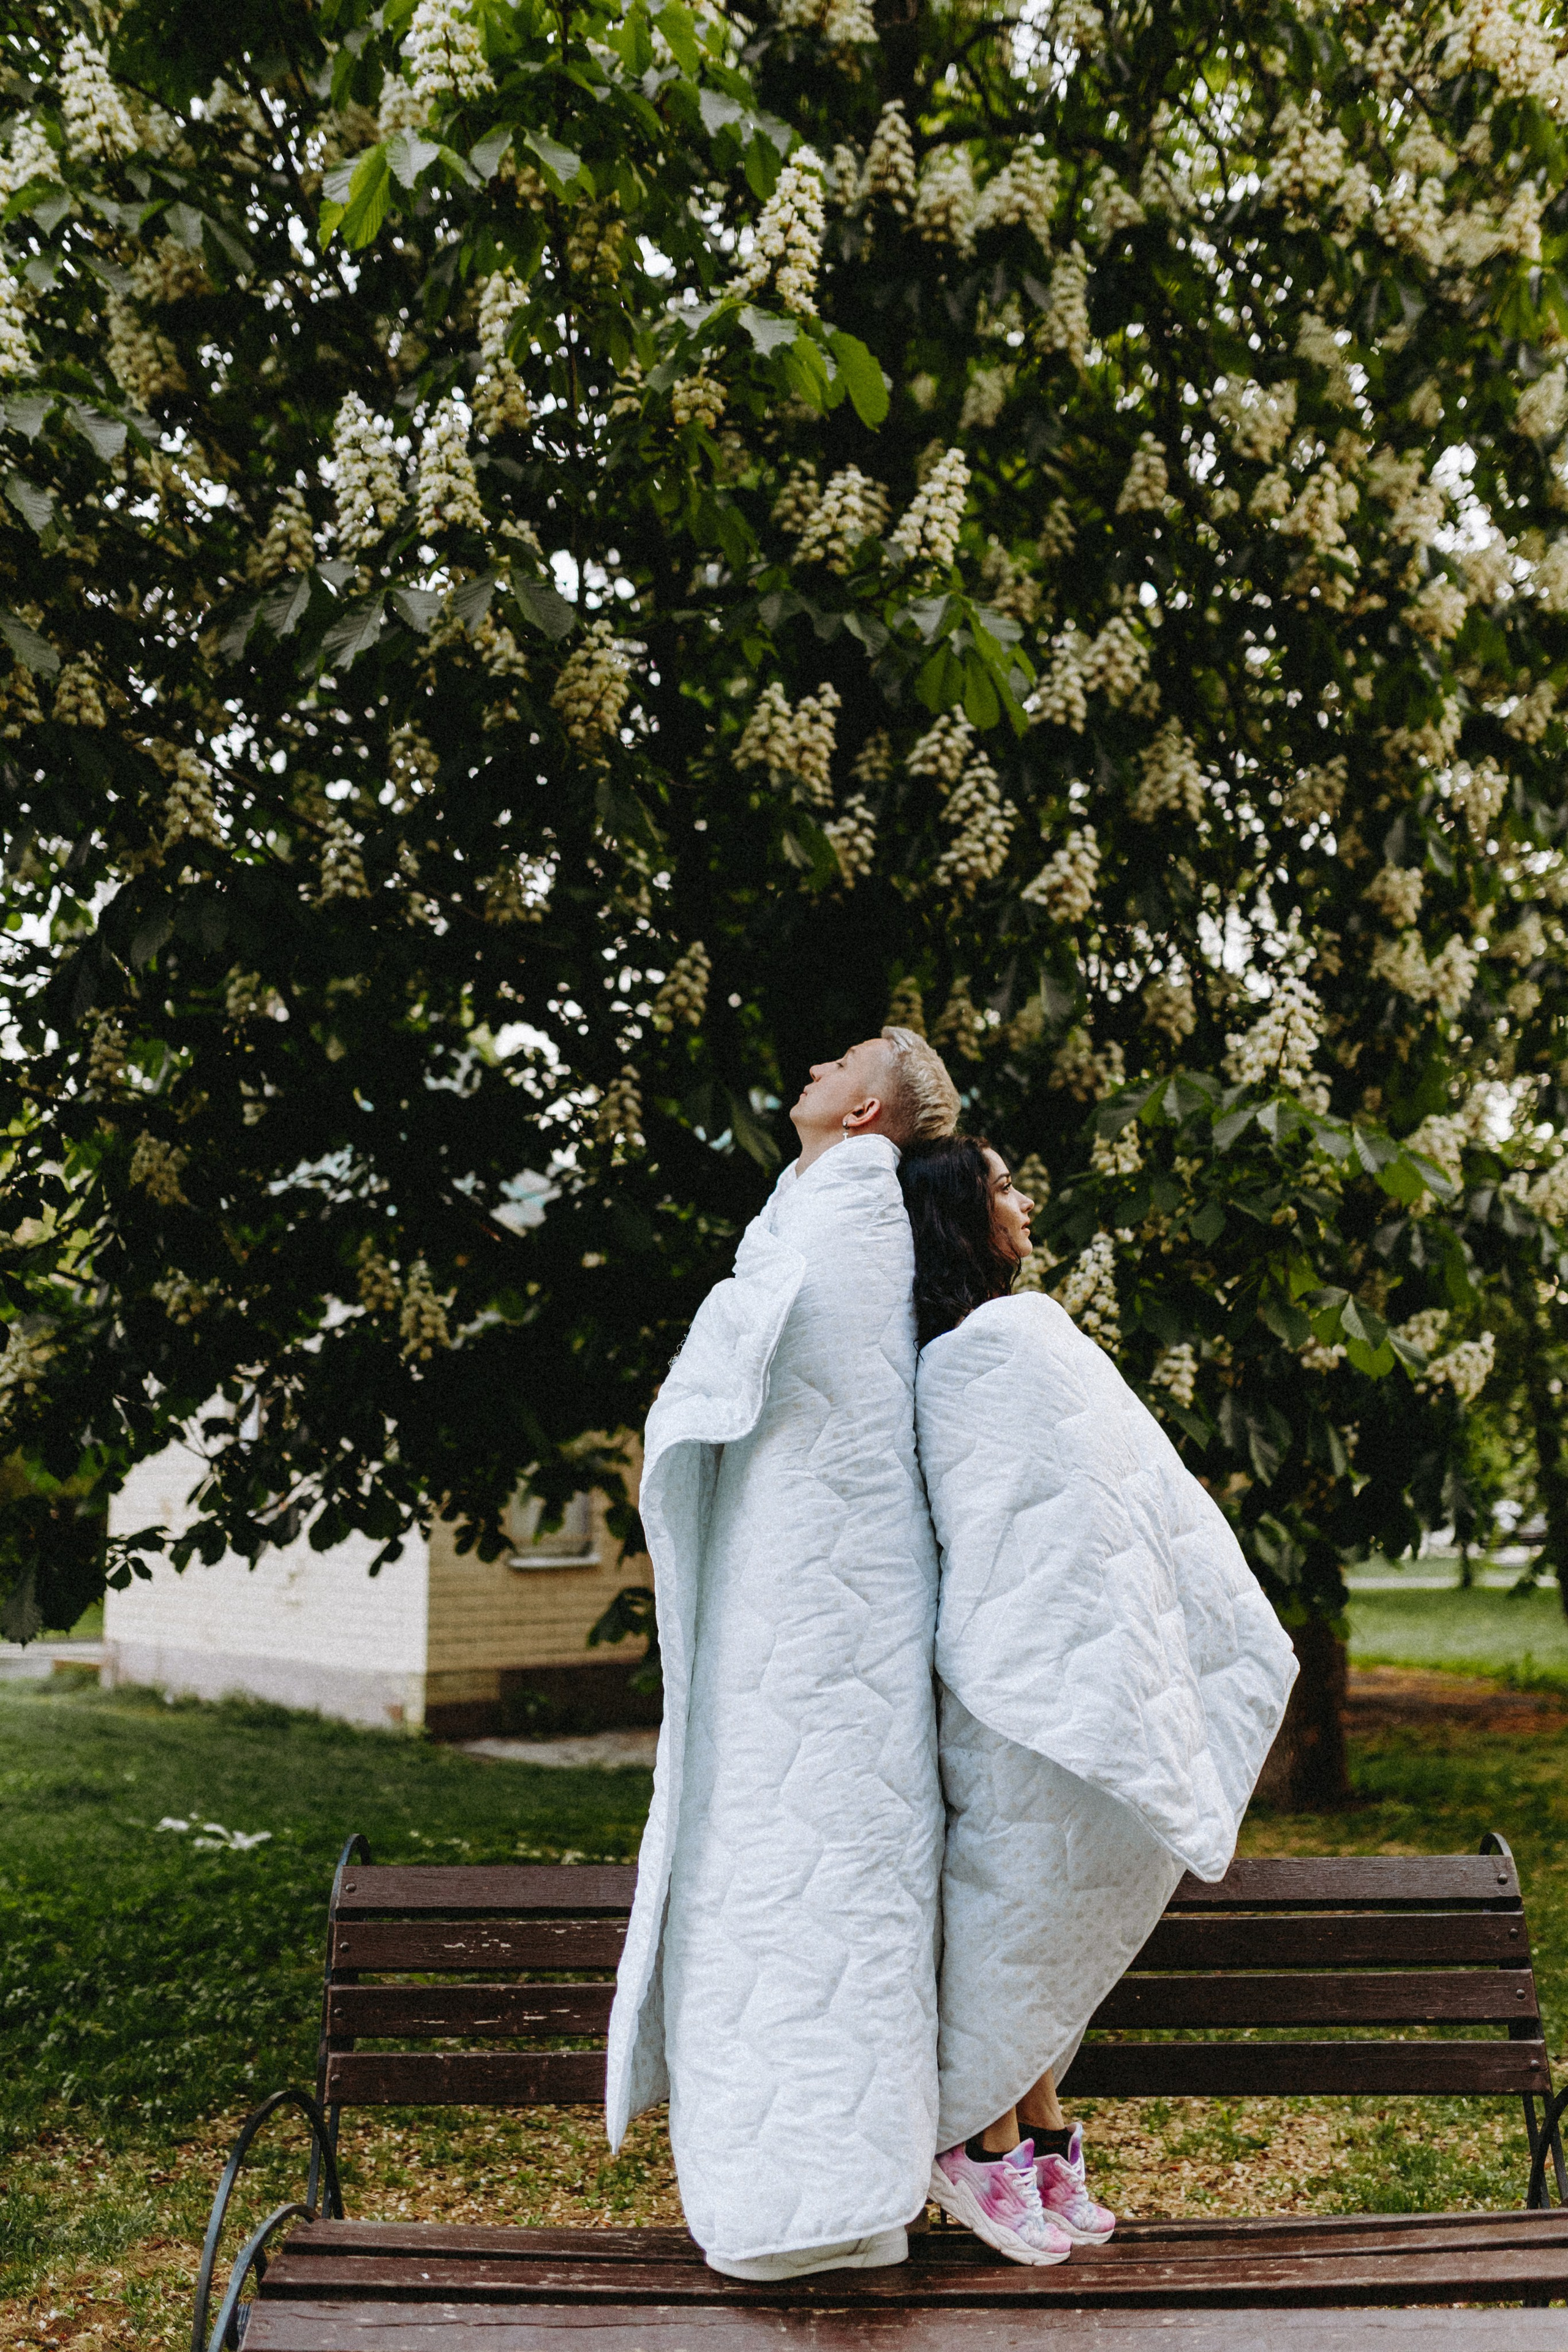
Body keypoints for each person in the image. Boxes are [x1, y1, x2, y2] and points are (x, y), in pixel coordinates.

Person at [897, 1135, 1298, 2267]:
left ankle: (1038, 2134)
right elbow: (1018, 1516)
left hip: (1059, 1670)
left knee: (1041, 1920)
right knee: (1011, 1918)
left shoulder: (1007, 1337)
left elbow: (1131, 1494)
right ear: (960, 1219)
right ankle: (975, 2146)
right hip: (1012, 1687)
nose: (1025, 1201)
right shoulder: (984, 1349)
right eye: (1005, 1187)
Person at [606, 1028, 962, 2280]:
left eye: (842, 1061)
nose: (815, 1067)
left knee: (824, 1879)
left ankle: (830, 2202)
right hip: (780, 1607)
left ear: (868, 1113)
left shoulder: (854, 1216)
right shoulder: (807, 1203)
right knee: (763, 1879)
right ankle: (798, 2205)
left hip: (826, 1617)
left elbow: (826, 1392)